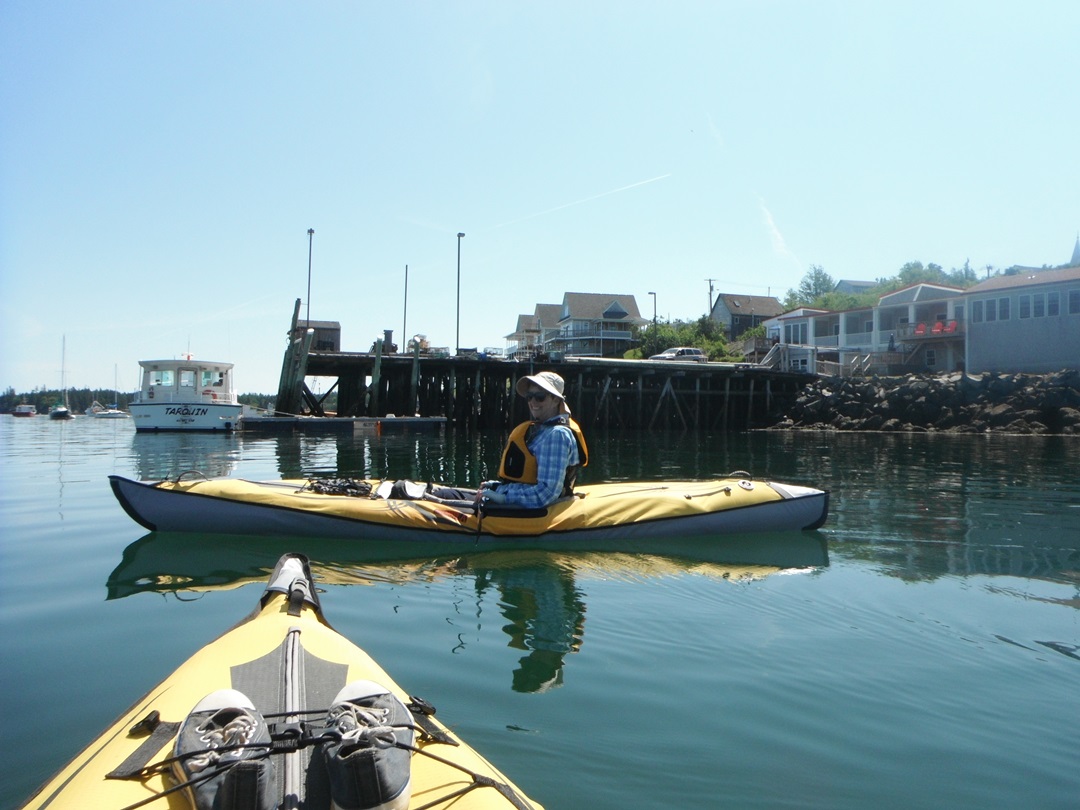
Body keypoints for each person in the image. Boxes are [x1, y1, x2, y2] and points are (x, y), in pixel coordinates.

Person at [478, 371, 588, 509]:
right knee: (446, 494)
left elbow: (545, 494)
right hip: (519, 500)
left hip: (535, 513)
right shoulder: (542, 430)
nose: (533, 402)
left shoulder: (557, 435)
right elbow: (529, 481)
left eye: (540, 397)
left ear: (556, 400)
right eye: (530, 397)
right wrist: (496, 487)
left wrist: (502, 498)